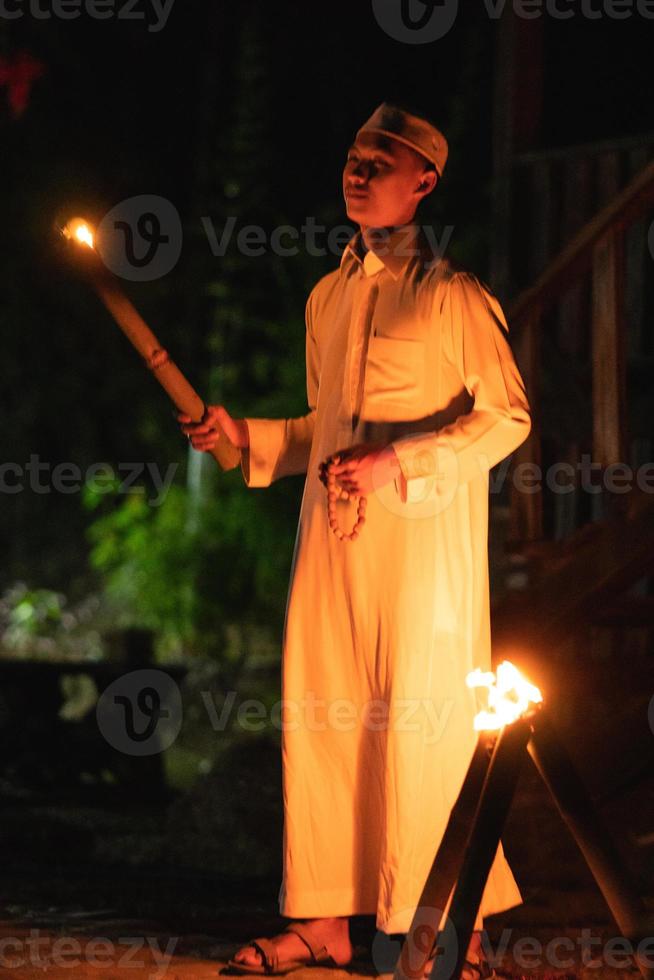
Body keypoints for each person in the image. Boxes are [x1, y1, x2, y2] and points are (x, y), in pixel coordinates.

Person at [179, 102, 531, 977]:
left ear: (424, 181)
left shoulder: (454, 295)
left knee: (425, 719)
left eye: (383, 160)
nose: (360, 171)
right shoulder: (327, 296)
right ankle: (328, 921)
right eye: (353, 156)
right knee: (325, 712)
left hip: (421, 551)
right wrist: (245, 437)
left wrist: (401, 463)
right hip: (333, 544)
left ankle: (454, 926)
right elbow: (322, 429)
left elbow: (508, 419)